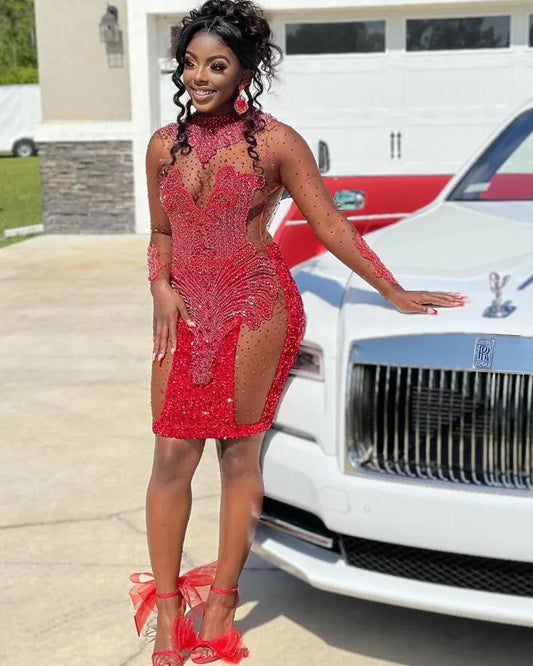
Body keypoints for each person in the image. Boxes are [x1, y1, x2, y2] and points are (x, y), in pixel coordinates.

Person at [129, 1, 467, 663]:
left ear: (245, 71)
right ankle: (168, 612)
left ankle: (221, 603)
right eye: (191, 63)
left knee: (237, 458)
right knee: (170, 456)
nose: (199, 77)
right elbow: (162, 233)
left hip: (256, 309)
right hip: (186, 315)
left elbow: (330, 224)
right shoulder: (164, 145)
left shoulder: (278, 143)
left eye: (217, 65)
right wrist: (159, 287)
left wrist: (391, 289)